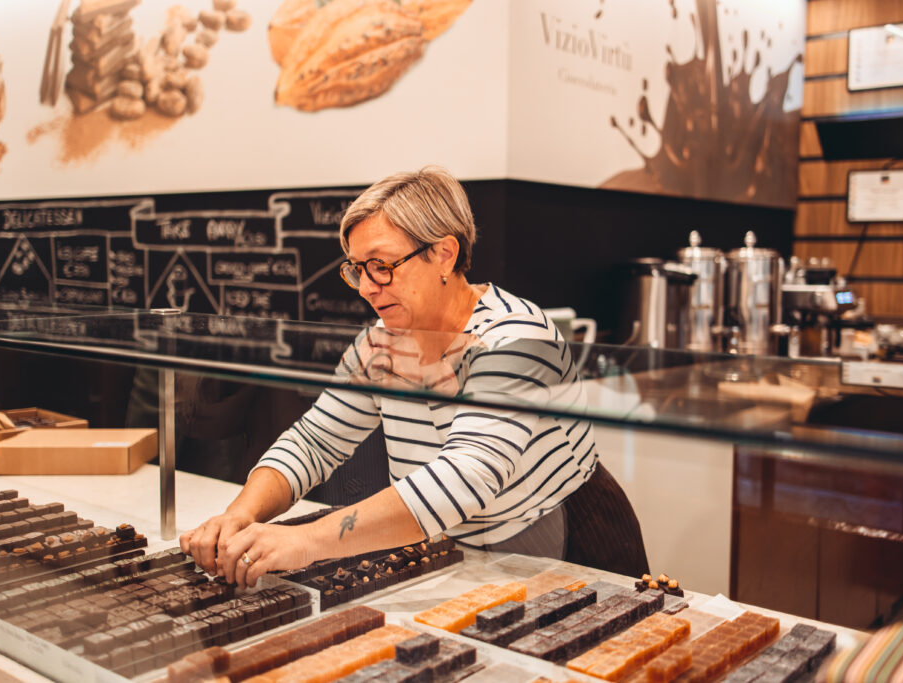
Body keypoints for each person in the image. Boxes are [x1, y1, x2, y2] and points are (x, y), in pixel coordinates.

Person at [180, 166, 648, 587]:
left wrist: (305, 541)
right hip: (462, 549)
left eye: (382, 266)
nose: (367, 288)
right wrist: (241, 514)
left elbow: (465, 476)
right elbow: (315, 441)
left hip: (568, 541)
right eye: (357, 270)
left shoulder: (517, 336)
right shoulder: (381, 342)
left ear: (444, 254)